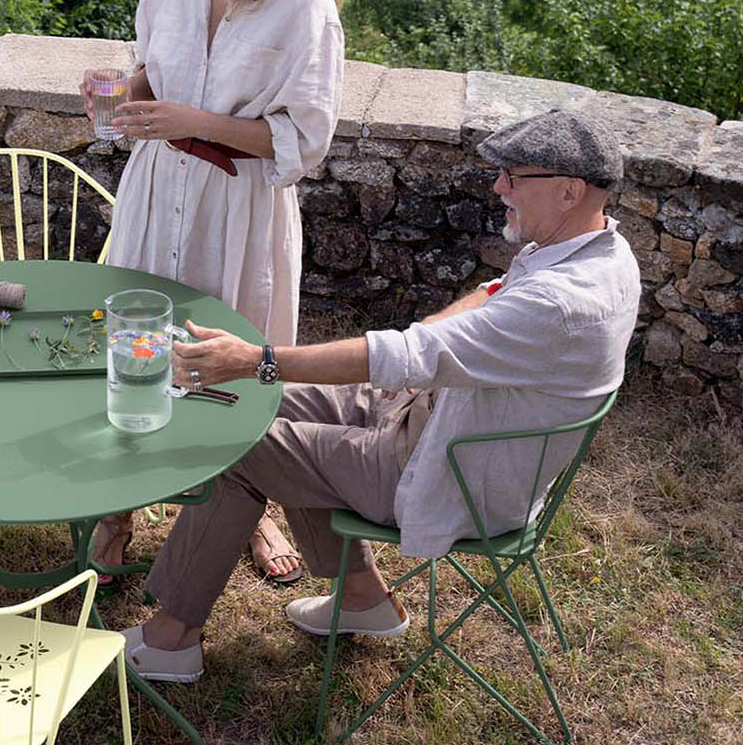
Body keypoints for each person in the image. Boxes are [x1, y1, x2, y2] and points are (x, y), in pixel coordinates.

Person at [120, 107, 641, 683]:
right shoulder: (600, 250)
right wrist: (426, 344)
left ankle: (172, 639)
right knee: (259, 402)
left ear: (569, 190)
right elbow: (493, 293)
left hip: (448, 471)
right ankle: (363, 598)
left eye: (514, 176)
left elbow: (402, 354)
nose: (499, 187)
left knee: (241, 442)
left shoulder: (558, 304)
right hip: (441, 422)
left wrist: (255, 360)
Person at [81, 0, 345, 586]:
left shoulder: (304, 4)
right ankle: (118, 506)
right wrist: (124, 94)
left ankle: (251, 505)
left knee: (232, 359)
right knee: (137, 341)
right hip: (157, 185)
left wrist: (194, 123)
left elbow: (306, 138)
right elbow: (152, 66)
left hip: (237, 207)